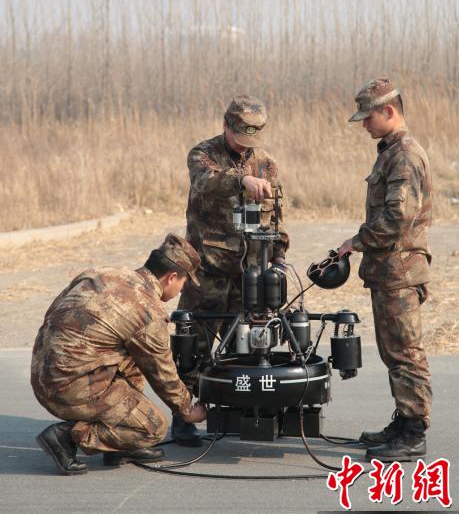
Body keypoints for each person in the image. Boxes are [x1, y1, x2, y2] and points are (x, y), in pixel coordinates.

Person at [32, 233, 207, 475]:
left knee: (133, 356)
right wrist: (187, 410)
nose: (180, 291)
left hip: (42, 371)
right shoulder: (148, 312)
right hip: (65, 388)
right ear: (172, 277)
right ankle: (67, 437)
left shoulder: (103, 273)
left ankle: (119, 446)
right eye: (184, 283)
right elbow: (163, 374)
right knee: (152, 428)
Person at [174, 95, 289, 446]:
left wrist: (279, 256)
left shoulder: (267, 164)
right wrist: (242, 182)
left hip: (249, 272)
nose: (246, 145)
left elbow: (276, 214)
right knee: (194, 342)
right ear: (226, 125)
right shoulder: (203, 154)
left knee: (247, 342)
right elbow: (205, 180)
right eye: (240, 135)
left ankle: (237, 409)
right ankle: (184, 415)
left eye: (253, 138)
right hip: (207, 267)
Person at [338, 77, 432, 462]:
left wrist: (355, 242)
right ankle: (403, 420)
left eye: (368, 117)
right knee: (393, 352)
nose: (364, 124)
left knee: (406, 352)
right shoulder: (389, 152)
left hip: (400, 271)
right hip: (388, 271)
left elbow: (397, 218)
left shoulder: (405, 155)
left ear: (388, 111)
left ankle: (414, 431)